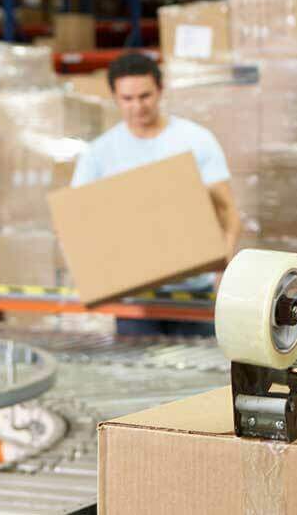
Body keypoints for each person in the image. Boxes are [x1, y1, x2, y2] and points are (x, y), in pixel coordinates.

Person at [71, 52, 240, 337]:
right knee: (140, 375)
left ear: (160, 91)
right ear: (114, 96)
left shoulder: (195, 140)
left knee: (201, 376)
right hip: (134, 294)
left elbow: (228, 212)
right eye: (127, 99)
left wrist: (223, 265)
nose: (137, 106)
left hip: (194, 291)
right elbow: (79, 222)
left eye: (145, 96)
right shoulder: (99, 154)